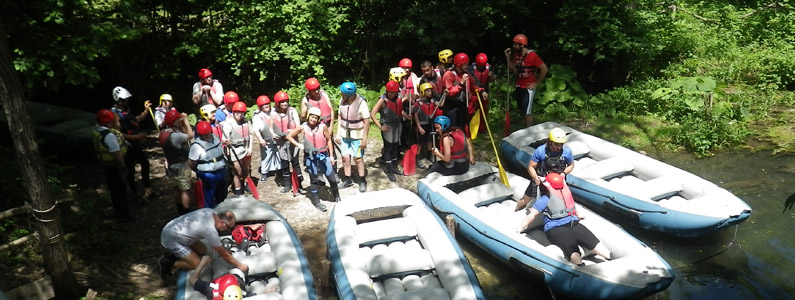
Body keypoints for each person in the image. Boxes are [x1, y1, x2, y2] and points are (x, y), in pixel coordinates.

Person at [515, 173, 613, 266]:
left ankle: (581, 266)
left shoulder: (545, 199)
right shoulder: (565, 194)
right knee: (594, 244)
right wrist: (578, 215)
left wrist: (521, 227)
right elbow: (573, 208)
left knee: (571, 249)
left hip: (556, 228)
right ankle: (610, 257)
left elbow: (532, 215)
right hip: (573, 222)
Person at [158, 209, 249, 280]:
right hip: (171, 238)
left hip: (178, 231)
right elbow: (223, 254)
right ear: (223, 223)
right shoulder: (210, 230)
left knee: (203, 250)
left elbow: (219, 248)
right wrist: (240, 266)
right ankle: (168, 262)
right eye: (229, 228)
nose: (227, 230)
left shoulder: (211, 212)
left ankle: (182, 256)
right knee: (197, 264)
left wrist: (223, 250)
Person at [286, 107, 341, 211]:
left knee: (331, 178)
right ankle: (316, 201)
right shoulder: (303, 127)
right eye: (312, 117)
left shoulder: (323, 127)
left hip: (323, 155)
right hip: (311, 157)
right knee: (314, 179)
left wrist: (331, 156)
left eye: (316, 118)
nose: (313, 119)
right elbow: (289, 136)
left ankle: (337, 196)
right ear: (308, 116)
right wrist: (298, 145)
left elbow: (329, 140)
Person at [515, 127, 575, 211]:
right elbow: (531, 167)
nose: (559, 147)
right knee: (526, 199)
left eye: (561, 144)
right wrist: (535, 178)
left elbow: (571, 165)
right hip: (541, 179)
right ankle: (517, 209)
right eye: (556, 144)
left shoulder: (566, 151)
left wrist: (564, 173)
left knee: (563, 199)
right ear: (550, 142)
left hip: (557, 181)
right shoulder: (541, 151)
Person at [111, 86, 153, 201]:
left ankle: (147, 188)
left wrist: (146, 111)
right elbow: (117, 134)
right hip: (126, 145)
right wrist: (135, 136)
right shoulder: (115, 114)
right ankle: (135, 193)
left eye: (126, 99)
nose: (125, 101)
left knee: (145, 163)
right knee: (130, 170)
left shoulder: (126, 110)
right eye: (123, 100)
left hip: (134, 143)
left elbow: (135, 120)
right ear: (118, 100)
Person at [92, 109, 134, 222]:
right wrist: (123, 166)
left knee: (114, 189)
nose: (117, 122)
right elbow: (116, 153)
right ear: (109, 123)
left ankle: (119, 211)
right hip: (114, 166)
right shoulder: (109, 135)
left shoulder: (97, 129)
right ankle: (124, 214)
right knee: (120, 189)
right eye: (115, 120)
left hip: (106, 165)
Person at [504, 34, 548, 127]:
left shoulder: (532, 56)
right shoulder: (517, 55)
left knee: (527, 112)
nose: (514, 46)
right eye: (514, 44)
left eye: (516, 45)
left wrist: (536, 83)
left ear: (522, 45)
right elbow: (512, 69)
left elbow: (544, 69)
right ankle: (525, 128)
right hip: (519, 85)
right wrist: (507, 57)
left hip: (528, 87)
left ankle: (530, 132)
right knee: (522, 109)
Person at [370, 81, 410, 182]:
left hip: (397, 124)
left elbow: (399, 109)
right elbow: (372, 114)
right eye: (389, 92)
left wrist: (406, 116)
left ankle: (394, 167)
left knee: (396, 146)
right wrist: (380, 127)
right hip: (387, 125)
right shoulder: (383, 100)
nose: (390, 94)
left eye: (393, 92)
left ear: (397, 92)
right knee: (388, 147)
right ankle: (389, 170)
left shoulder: (399, 96)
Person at [336, 82, 370, 192]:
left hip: (357, 134)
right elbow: (340, 116)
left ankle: (362, 180)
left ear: (348, 94)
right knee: (345, 157)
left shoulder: (361, 102)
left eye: (342, 93)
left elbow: (367, 121)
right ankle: (347, 179)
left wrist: (364, 139)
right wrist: (338, 133)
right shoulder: (343, 100)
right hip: (345, 134)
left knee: (358, 158)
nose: (341, 94)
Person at [159, 110, 194, 215]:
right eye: (178, 119)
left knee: (178, 189)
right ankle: (186, 212)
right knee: (185, 191)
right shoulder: (175, 136)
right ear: (173, 122)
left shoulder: (163, 134)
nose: (180, 120)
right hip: (181, 166)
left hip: (171, 165)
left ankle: (179, 210)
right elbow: (190, 135)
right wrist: (186, 121)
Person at [271, 91, 304, 194]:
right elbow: (271, 128)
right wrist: (273, 134)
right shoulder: (274, 113)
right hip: (281, 141)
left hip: (292, 140)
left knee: (295, 163)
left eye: (286, 101)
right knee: (284, 164)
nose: (285, 104)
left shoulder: (292, 111)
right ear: (277, 103)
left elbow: (298, 127)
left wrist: (291, 132)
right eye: (282, 102)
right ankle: (287, 185)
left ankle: (299, 184)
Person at [189, 121, 227, 208]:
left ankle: (222, 210)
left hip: (221, 170)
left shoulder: (215, 138)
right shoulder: (196, 146)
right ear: (200, 135)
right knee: (209, 195)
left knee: (222, 194)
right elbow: (191, 162)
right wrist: (197, 171)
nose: (208, 136)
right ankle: (209, 213)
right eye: (205, 134)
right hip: (208, 174)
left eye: (209, 133)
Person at [221, 101, 254, 196]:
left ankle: (246, 184)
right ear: (234, 112)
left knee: (246, 169)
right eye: (237, 113)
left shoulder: (246, 121)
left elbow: (251, 135)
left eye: (242, 113)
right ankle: (238, 190)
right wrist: (226, 142)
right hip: (235, 150)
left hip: (246, 148)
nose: (240, 115)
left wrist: (250, 148)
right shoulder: (229, 124)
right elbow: (224, 139)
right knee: (237, 172)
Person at [441, 53, 477, 130]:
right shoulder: (449, 74)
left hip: (462, 105)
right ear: (459, 65)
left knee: (462, 127)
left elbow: (473, 83)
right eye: (465, 64)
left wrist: (481, 90)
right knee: (453, 128)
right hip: (451, 106)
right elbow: (450, 92)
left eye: (467, 64)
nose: (467, 66)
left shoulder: (465, 73)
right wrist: (461, 83)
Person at [252, 95, 282, 185]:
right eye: (264, 105)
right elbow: (256, 129)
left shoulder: (274, 111)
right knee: (266, 156)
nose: (266, 106)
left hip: (277, 138)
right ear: (260, 106)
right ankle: (264, 173)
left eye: (267, 104)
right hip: (266, 139)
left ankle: (279, 170)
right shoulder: (258, 116)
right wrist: (260, 139)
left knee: (278, 154)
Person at [412, 83, 441, 169]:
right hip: (421, 125)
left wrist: (445, 95)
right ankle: (417, 158)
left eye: (430, 91)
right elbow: (415, 116)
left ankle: (430, 154)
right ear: (422, 92)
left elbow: (441, 104)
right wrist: (419, 127)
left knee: (430, 140)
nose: (430, 92)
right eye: (428, 91)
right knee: (419, 143)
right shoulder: (418, 103)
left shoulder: (432, 101)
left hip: (430, 124)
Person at [469, 53, 491, 133]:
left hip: (484, 93)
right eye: (480, 66)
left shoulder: (489, 67)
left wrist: (491, 76)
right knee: (470, 110)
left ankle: (482, 129)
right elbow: (473, 80)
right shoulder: (471, 68)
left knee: (483, 110)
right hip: (474, 91)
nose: (481, 67)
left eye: (482, 66)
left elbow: (493, 78)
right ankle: (470, 127)